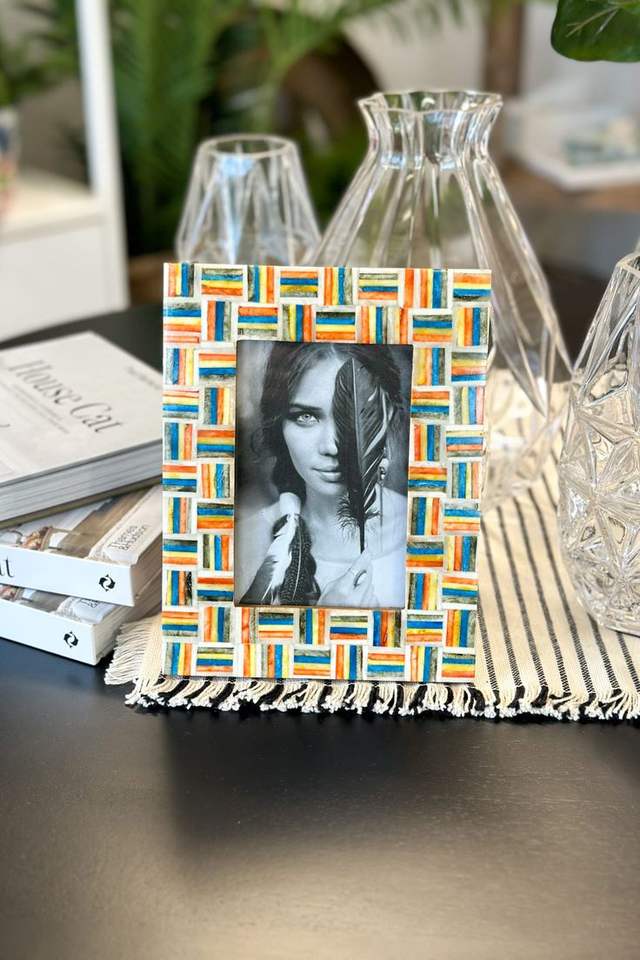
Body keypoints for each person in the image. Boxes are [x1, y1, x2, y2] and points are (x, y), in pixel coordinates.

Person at [235, 341, 409, 608]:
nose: (331, 446)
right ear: (279, 424)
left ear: (388, 416)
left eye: (355, 415)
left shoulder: (428, 533)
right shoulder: (242, 543)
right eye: (306, 416)